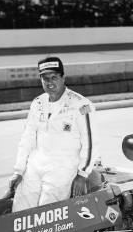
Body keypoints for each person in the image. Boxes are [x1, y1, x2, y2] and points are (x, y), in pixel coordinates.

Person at [8, 56, 100, 212]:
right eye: (45, 78)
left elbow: (91, 143)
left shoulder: (81, 105)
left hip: (63, 167)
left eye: (54, 77)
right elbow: (27, 138)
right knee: (20, 209)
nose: (49, 82)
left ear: (63, 78)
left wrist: (82, 174)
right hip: (36, 164)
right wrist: (18, 171)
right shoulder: (37, 103)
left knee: (48, 213)